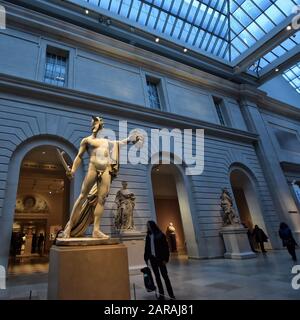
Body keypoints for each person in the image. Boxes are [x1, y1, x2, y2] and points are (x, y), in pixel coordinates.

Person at [60, 116, 141, 238]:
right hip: (92, 169)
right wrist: (73, 170)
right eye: (93, 123)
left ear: (101, 126)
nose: (94, 126)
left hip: (106, 170)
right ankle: (69, 226)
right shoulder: (86, 141)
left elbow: (119, 143)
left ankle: (96, 230)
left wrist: (130, 139)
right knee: (82, 196)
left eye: (96, 123)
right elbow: (79, 156)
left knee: (101, 199)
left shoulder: (106, 142)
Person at [144, 220, 175, 300]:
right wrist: (146, 258)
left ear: (152, 226)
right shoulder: (148, 236)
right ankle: (161, 295)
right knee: (157, 278)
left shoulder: (160, 235)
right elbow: (147, 248)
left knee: (165, 277)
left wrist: (166, 259)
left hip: (161, 259)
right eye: (147, 226)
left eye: (148, 225)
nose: (147, 227)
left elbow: (166, 248)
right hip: (153, 259)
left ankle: (171, 295)